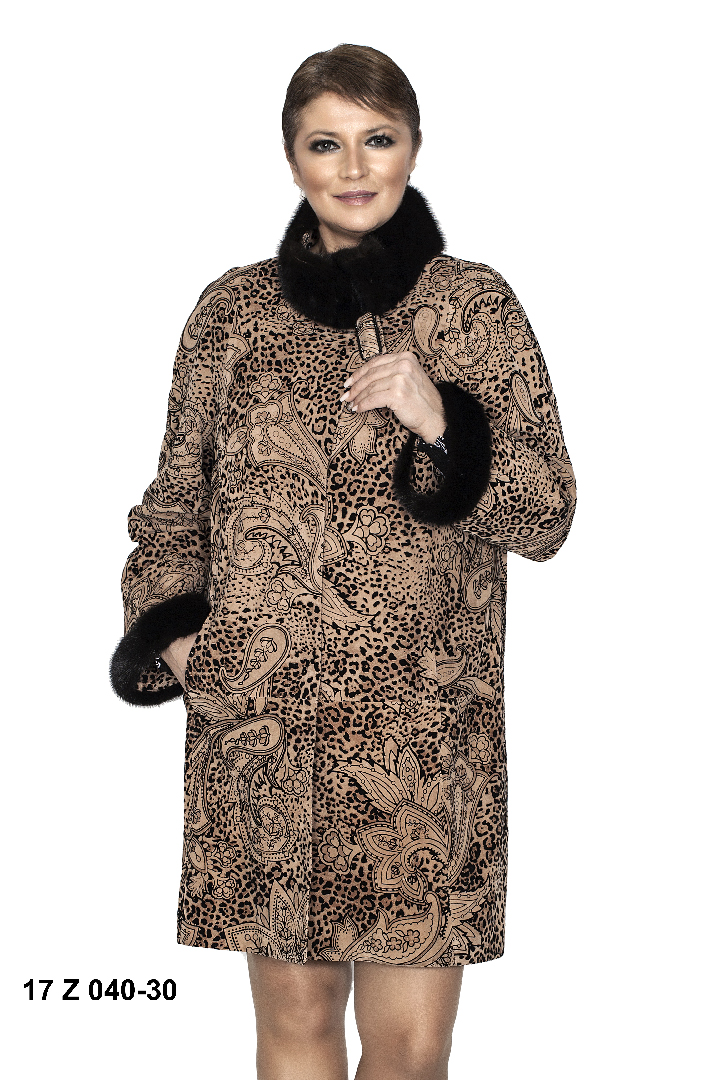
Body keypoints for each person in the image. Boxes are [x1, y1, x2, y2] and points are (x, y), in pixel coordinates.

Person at [110, 43, 577, 1080]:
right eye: (326, 143)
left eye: (378, 139)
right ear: (293, 158)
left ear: (414, 148)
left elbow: (548, 514)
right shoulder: (230, 315)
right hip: (264, 740)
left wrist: (442, 420)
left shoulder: (473, 308)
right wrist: (188, 649)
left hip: (422, 752)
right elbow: (171, 515)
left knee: (411, 1053)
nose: (355, 167)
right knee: (295, 1032)